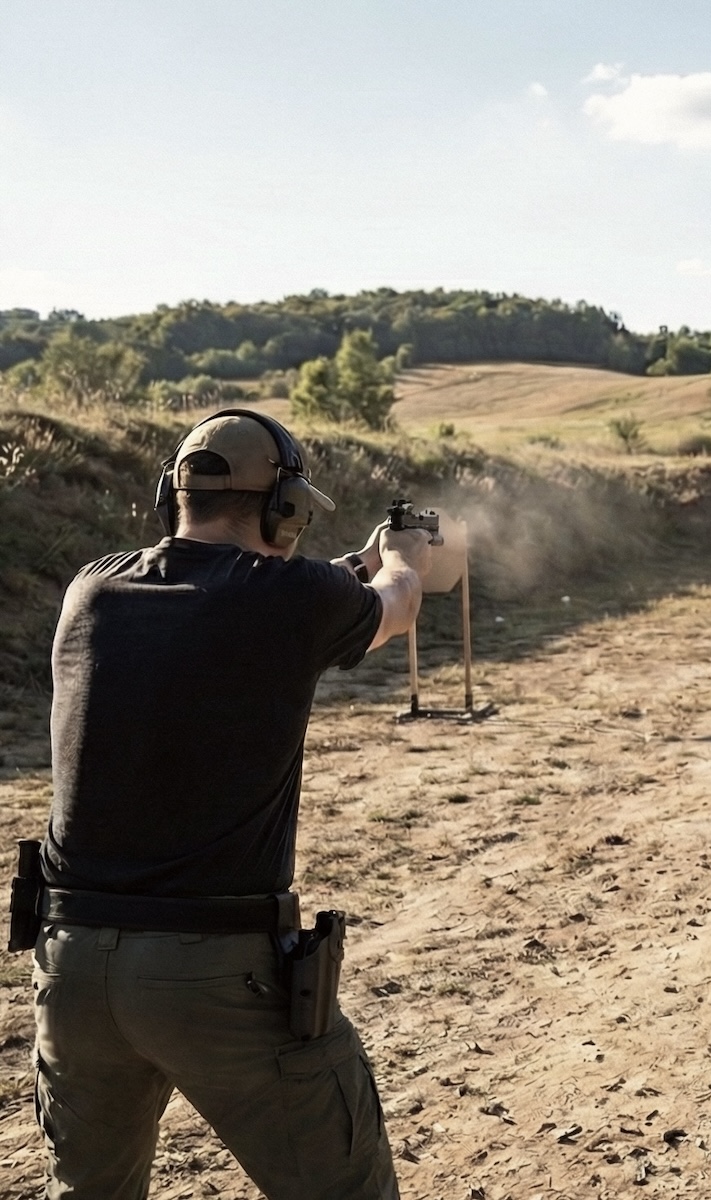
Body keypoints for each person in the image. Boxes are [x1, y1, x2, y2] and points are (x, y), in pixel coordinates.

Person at [27, 410, 430, 1199]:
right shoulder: (293, 599)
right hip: (211, 972)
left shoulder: (95, 586)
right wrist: (402, 558)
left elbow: (248, 600)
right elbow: (400, 602)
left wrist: (342, 569)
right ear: (284, 508)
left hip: (71, 965)